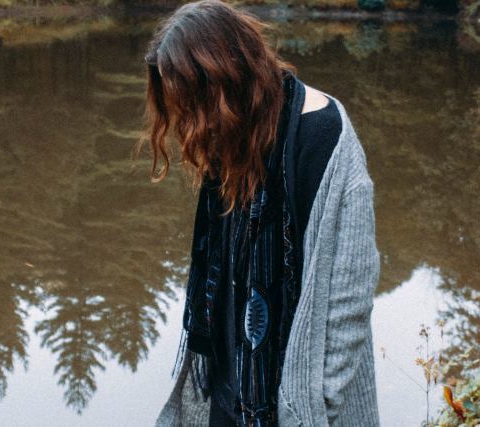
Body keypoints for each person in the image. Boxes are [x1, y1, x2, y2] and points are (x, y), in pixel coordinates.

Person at [141, 1, 380, 426]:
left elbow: (350, 298)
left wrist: (312, 405)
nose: (192, 123)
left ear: (226, 79)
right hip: (229, 388)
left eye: (194, 103)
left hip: (301, 404)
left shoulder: (323, 134)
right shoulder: (233, 130)